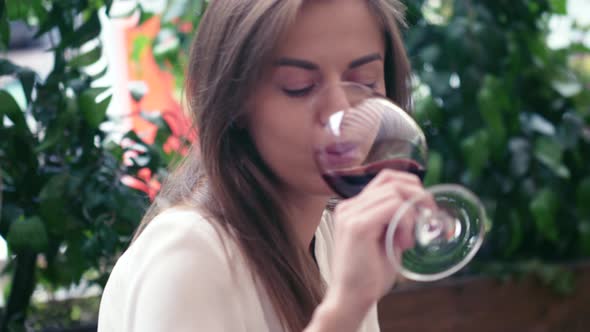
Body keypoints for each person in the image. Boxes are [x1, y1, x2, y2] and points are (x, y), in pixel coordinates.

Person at [98, 0, 424, 331]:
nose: (341, 110)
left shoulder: (334, 242)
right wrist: (344, 310)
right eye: (299, 86)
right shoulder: (188, 256)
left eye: (366, 81)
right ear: (232, 103)